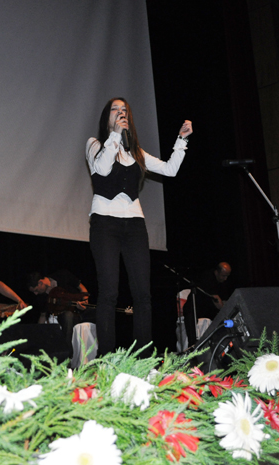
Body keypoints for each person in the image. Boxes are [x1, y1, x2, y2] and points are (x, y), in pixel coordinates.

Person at [86, 97, 193, 355]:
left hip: (134, 224)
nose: (120, 113)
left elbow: (170, 170)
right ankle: (106, 358)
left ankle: (144, 357)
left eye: (124, 110)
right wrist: (115, 135)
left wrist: (181, 140)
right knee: (109, 292)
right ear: (107, 117)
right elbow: (102, 169)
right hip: (105, 223)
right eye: (115, 109)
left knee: (143, 294)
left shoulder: (136, 152)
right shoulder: (95, 144)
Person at [26, 270, 92, 348]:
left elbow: (81, 288)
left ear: (40, 282)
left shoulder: (62, 275)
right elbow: (43, 316)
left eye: (36, 290)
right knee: (68, 315)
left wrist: (85, 301)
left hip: (80, 310)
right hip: (63, 316)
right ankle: (67, 349)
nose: (35, 293)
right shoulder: (41, 297)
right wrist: (37, 333)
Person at [182, 262, 234, 347]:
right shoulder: (208, 277)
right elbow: (217, 301)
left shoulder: (223, 282)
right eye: (223, 276)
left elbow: (224, 299)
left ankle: (221, 344)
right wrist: (227, 313)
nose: (225, 278)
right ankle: (192, 345)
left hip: (208, 309)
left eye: (227, 276)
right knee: (190, 314)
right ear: (216, 272)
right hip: (195, 306)